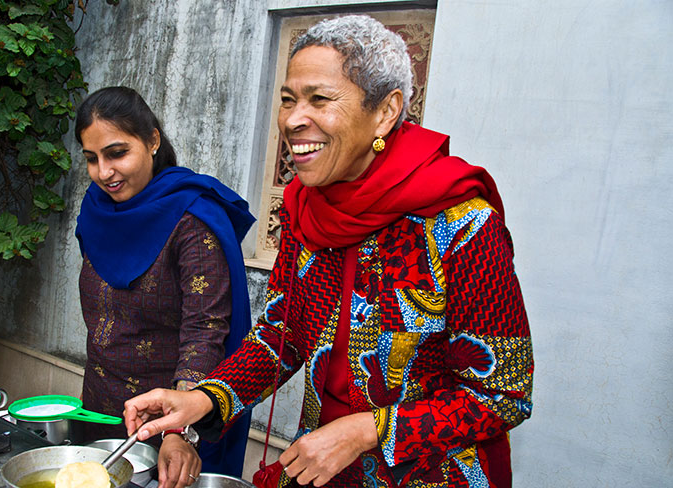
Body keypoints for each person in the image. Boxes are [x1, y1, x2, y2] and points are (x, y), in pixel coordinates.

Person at [124, 15, 534, 488]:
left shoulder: (461, 224)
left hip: (430, 474)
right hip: (321, 469)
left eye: (319, 99)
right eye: (287, 100)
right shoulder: (307, 211)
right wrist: (205, 399)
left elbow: (504, 396)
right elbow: (283, 336)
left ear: (385, 111)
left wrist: (368, 430)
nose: (293, 119)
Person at [73, 86, 254, 486]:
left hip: (167, 424)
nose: (104, 172)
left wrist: (179, 431)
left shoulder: (191, 219)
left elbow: (205, 331)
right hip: (98, 409)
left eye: (117, 153)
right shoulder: (97, 210)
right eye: (92, 159)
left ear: (152, 140)